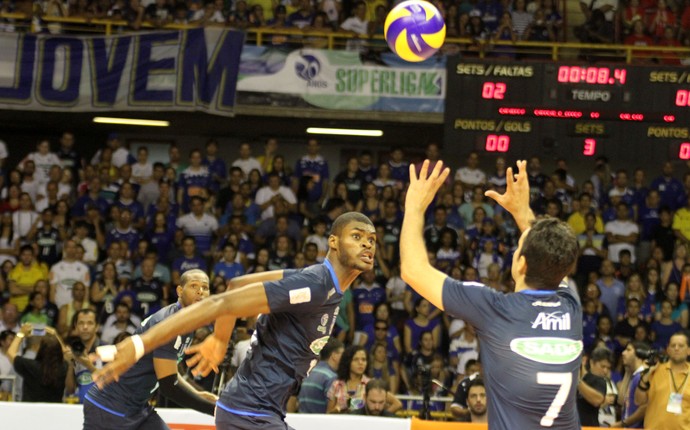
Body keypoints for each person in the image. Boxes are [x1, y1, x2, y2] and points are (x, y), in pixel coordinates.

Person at [94, 211, 378, 430]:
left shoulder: (319, 281)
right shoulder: (314, 284)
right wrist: (142, 343)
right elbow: (222, 301)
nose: (367, 243)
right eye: (356, 236)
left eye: (372, 239)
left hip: (254, 410)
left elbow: (236, 284)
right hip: (251, 411)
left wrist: (220, 337)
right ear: (333, 242)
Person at [400, 160, 582, 429]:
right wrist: (523, 214)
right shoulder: (572, 306)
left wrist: (414, 207)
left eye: (518, 248)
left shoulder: (496, 309)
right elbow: (554, 257)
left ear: (520, 264)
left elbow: (413, 270)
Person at [83, 270, 217, 429]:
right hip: (109, 408)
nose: (200, 291)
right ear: (180, 291)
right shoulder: (170, 322)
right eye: (194, 286)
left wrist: (197, 394)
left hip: (137, 408)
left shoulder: (187, 322)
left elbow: (169, 372)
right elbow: (169, 386)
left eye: (205, 287)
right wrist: (215, 410)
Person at [636, 331, 690, 429]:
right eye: (673, 345)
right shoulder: (655, 369)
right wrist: (646, 375)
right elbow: (638, 401)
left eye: (681, 346)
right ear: (668, 349)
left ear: (689, 350)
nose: (676, 348)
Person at [6, 323, 68, 402]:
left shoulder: (30, 366)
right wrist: (56, 335)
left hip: (30, 411)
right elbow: (66, 353)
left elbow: (10, 353)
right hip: (54, 412)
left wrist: (21, 333)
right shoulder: (63, 368)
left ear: (39, 349)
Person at [297, 337, 344, 413]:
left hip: (303, 422)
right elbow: (331, 412)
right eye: (343, 354)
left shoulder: (309, 373)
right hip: (319, 423)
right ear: (334, 355)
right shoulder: (331, 377)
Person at [614, 341, 648, 428]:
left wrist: (623, 423)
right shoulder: (635, 375)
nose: (623, 353)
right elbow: (621, 401)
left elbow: (645, 407)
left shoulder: (643, 377)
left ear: (639, 354)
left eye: (629, 350)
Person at [576, 346, 613, 426]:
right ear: (592, 362)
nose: (605, 371)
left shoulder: (600, 381)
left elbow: (597, 400)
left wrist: (576, 381)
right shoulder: (573, 379)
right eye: (602, 366)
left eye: (608, 368)